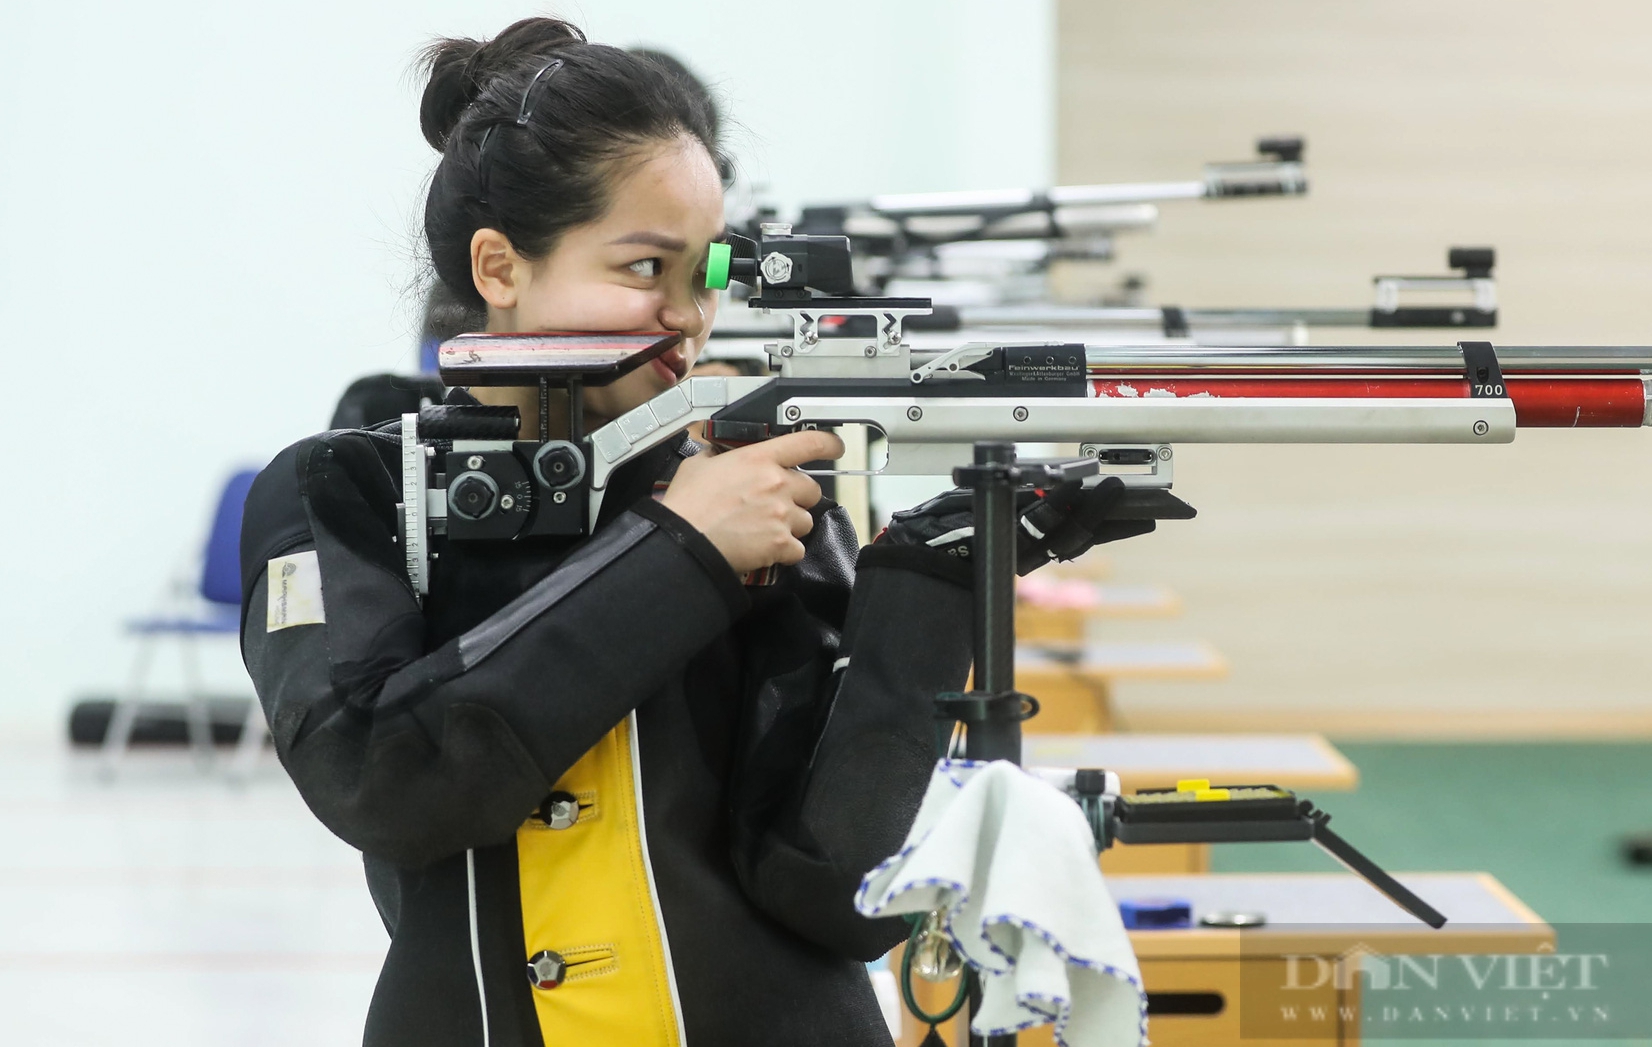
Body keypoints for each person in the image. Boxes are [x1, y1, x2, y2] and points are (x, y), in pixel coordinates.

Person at [236, 18, 1158, 1046]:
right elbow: (387, 781)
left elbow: (832, 885)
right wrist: (681, 551)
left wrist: (927, 586)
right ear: (499, 267)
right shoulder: (351, 487)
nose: (688, 317)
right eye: (643, 268)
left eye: (706, 274)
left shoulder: (741, 480)